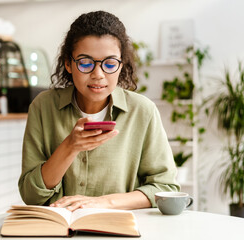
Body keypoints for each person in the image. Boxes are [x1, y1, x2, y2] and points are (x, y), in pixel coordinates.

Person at [18, 10, 179, 211]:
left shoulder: (143, 111)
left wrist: (104, 202)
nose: (98, 74)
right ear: (68, 63)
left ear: (122, 65)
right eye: (85, 62)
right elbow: (30, 195)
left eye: (110, 64)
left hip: (121, 229)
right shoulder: (43, 107)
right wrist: (70, 147)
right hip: (61, 230)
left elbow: (164, 187)